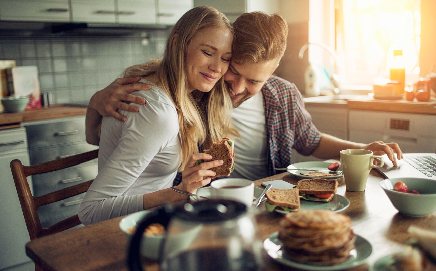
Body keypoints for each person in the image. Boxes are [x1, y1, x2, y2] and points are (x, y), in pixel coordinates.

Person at [85, 11, 403, 183]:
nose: (237, 87)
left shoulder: (283, 95)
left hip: (263, 202)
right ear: (226, 55)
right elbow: (104, 142)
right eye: (233, 70)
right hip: (194, 205)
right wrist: (96, 102)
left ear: (273, 72)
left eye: (253, 81)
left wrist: (362, 149)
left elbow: (311, 142)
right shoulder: (191, 89)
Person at [78, 6, 237, 225]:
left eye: (225, 58)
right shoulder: (156, 111)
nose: (217, 67)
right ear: (177, 44)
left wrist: (95, 103)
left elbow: (96, 139)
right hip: (129, 233)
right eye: (207, 53)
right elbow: (90, 212)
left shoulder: (156, 86)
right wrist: (178, 192)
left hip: (153, 223)